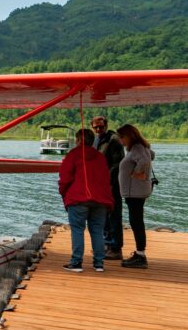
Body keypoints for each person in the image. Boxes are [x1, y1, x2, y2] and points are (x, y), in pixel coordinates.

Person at [58, 127, 114, 273]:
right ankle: (99, 264)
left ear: (78, 140)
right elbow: (106, 179)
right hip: (100, 200)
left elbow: (65, 178)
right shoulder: (100, 157)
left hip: (78, 198)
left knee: (77, 230)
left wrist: (63, 192)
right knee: (97, 231)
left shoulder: (73, 155)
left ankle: (76, 262)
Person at [116, 124, 155, 269]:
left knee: (136, 222)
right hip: (135, 192)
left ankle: (141, 256)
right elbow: (151, 155)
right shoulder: (138, 148)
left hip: (135, 193)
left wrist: (136, 173)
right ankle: (140, 253)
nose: (121, 140)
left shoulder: (137, 147)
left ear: (129, 136)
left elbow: (145, 160)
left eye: (122, 137)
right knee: (136, 221)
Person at [90, 116, 126, 260]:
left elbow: (118, 164)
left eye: (101, 127)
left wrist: (108, 181)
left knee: (114, 215)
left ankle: (116, 248)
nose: (98, 130)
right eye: (96, 127)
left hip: (111, 185)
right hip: (99, 185)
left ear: (106, 126)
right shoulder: (96, 140)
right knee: (103, 215)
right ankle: (106, 244)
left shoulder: (114, 140)